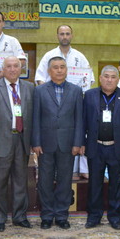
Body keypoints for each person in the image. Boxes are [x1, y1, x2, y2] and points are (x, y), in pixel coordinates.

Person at [0, 56, 35, 232]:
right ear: (2, 69)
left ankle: (20, 216)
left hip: (22, 141)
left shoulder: (29, 87)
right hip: (0, 142)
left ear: (21, 69)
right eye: (8, 66)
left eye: (15, 66)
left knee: (21, 181)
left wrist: (34, 142)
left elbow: (33, 117)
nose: (12, 69)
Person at [83, 66, 120, 230]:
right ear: (100, 78)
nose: (109, 80)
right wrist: (80, 143)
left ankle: (115, 218)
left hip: (117, 147)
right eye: (106, 76)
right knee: (95, 185)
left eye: (113, 77)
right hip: (95, 147)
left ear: (117, 79)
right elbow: (82, 121)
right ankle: (94, 217)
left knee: (116, 184)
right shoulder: (89, 95)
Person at [35, 24, 94, 179]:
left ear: (71, 36)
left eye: (67, 33)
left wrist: (74, 97)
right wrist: (49, 96)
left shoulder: (80, 57)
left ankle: (77, 171)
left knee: (71, 146)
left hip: (72, 103)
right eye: (62, 34)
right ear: (57, 36)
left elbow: (88, 80)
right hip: (50, 105)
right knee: (47, 171)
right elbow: (40, 78)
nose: (65, 36)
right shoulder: (49, 55)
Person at [32, 56, 83, 229]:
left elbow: (79, 119)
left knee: (65, 181)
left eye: (62, 67)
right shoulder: (39, 91)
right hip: (45, 144)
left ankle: (61, 215)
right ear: (49, 70)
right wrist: (36, 142)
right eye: (55, 67)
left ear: (67, 69)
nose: (59, 70)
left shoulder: (76, 91)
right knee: (45, 181)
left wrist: (77, 143)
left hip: (68, 144)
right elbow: (35, 118)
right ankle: (46, 216)